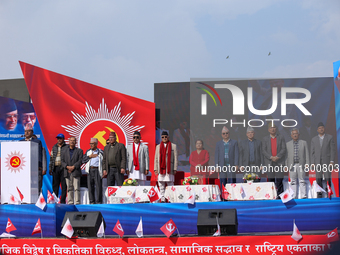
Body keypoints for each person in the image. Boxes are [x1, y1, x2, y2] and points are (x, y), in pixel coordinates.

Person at [310, 122, 336, 198]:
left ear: (324, 129)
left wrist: (332, 161)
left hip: (327, 161)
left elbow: (332, 150)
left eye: (322, 128)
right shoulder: (314, 139)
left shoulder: (330, 137)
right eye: (319, 128)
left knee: (328, 177)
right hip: (317, 161)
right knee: (318, 177)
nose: (321, 129)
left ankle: (329, 192)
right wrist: (312, 162)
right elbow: (312, 152)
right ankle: (319, 193)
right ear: (317, 130)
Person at [262, 123, 286, 196]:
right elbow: (264, 150)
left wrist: (277, 156)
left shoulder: (281, 137)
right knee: (270, 180)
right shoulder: (265, 139)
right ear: (268, 130)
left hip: (279, 162)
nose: (272, 129)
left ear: (276, 129)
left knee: (279, 180)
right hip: (270, 162)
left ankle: (280, 196)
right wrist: (271, 157)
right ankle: (271, 195)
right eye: (271, 128)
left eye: (274, 127)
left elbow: (283, 148)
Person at [285, 128, 309, 199]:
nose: (295, 135)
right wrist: (286, 165)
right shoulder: (288, 144)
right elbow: (286, 156)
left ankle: (304, 195)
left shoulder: (304, 143)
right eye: (293, 134)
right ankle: (293, 196)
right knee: (293, 181)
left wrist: (307, 163)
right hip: (292, 165)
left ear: (299, 135)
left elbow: (306, 153)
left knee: (302, 180)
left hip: (301, 164)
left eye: (296, 134)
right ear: (291, 135)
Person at [154, 131, 178, 202]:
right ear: (161, 138)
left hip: (169, 168)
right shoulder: (158, 146)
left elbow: (175, 158)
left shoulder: (173, 146)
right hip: (161, 168)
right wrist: (155, 169)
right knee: (161, 184)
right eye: (162, 137)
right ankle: (163, 198)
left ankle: (171, 199)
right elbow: (156, 158)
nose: (164, 138)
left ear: (168, 137)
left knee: (170, 184)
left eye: (165, 137)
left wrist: (175, 168)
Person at [20, 123, 44, 193]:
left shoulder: (37, 142)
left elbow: (39, 154)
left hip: (34, 166)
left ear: (32, 132)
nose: (27, 132)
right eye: (25, 131)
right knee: (24, 182)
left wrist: (39, 165)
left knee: (35, 184)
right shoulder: (20, 142)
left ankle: (36, 199)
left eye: (29, 131)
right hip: (23, 166)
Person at [61, 136, 83, 204]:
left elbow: (80, 161)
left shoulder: (79, 151)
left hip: (75, 171)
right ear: (69, 142)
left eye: (73, 140)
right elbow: (62, 161)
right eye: (71, 140)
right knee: (69, 189)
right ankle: (70, 202)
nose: (72, 141)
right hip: (67, 172)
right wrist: (67, 167)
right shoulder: (64, 151)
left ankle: (77, 202)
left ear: (75, 142)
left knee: (77, 188)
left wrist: (73, 167)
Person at [82, 138, 104, 204]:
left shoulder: (100, 152)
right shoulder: (88, 152)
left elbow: (104, 161)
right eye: (90, 143)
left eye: (93, 144)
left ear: (96, 144)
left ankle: (98, 201)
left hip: (97, 170)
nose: (91, 145)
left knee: (98, 186)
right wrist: (90, 156)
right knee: (90, 186)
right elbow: (83, 160)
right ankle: (92, 201)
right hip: (90, 170)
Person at [49, 133, 67, 204]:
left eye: (60, 138)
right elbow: (52, 158)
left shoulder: (66, 147)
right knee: (55, 185)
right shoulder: (54, 147)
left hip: (63, 168)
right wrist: (50, 168)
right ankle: (55, 201)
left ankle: (62, 201)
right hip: (55, 167)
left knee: (64, 186)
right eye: (58, 138)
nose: (59, 140)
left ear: (63, 139)